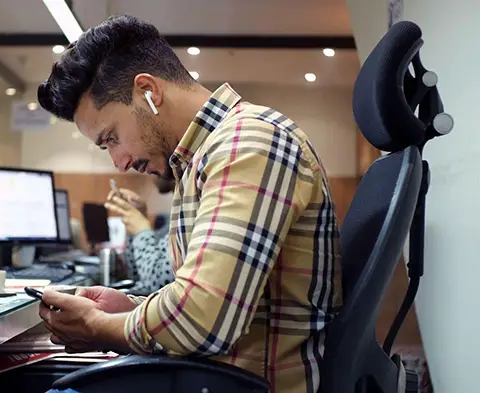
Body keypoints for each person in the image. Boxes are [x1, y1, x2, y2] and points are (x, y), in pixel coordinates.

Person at [35, 15, 342, 393]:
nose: (120, 162)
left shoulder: (248, 143)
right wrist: (128, 308)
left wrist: (98, 328)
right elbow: (205, 298)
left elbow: (202, 318)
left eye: (112, 138)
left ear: (148, 90)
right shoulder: (200, 161)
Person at [105, 178, 175, 294]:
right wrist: (139, 217)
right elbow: (137, 274)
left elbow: (158, 285)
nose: (147, 174)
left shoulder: (190, 214)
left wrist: (142, 231)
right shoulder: (172, 221)